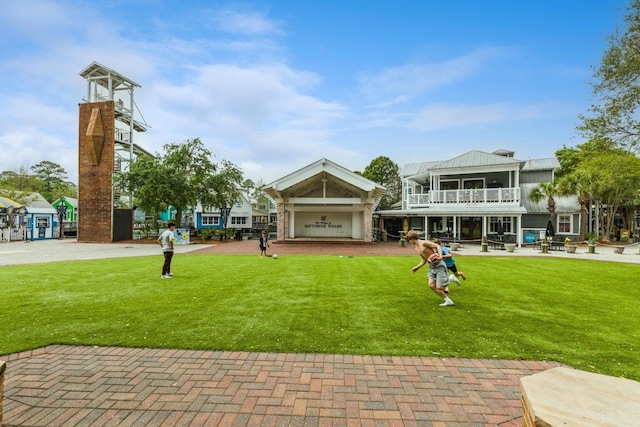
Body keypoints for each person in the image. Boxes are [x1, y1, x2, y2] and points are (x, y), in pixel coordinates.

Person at [406, 230, 454, 307]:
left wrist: (441, 256)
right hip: (432, 266)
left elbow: (437, 246)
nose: (409, 242)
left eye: (409, 240)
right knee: (431, 285)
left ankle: (450, 278)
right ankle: (448, 301)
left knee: (439, 287)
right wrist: (417, 267)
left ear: (412, 239)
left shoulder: (424, 243)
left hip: (439, 264)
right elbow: (424, 259)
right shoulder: (417, 249)